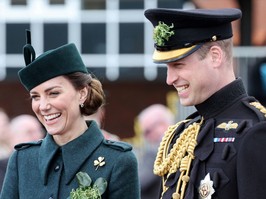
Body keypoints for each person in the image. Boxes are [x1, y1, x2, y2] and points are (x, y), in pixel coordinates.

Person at [0, 30, 140, 199]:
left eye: (53, 93)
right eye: (35, 97)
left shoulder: (118, 161)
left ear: (82, 94)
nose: (43, 106)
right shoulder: (22, 160)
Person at [144, 8, 266, 199]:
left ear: (215, 56)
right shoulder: (179, 137)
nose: (169, 79)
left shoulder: (255, 132)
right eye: (168, 67)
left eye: (178, 65)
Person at [135, 104, 175, 199]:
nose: (145, 137)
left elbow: (136, 184)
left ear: (162, 125)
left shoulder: (155, 154)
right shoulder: (182, 147)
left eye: (147, 131)